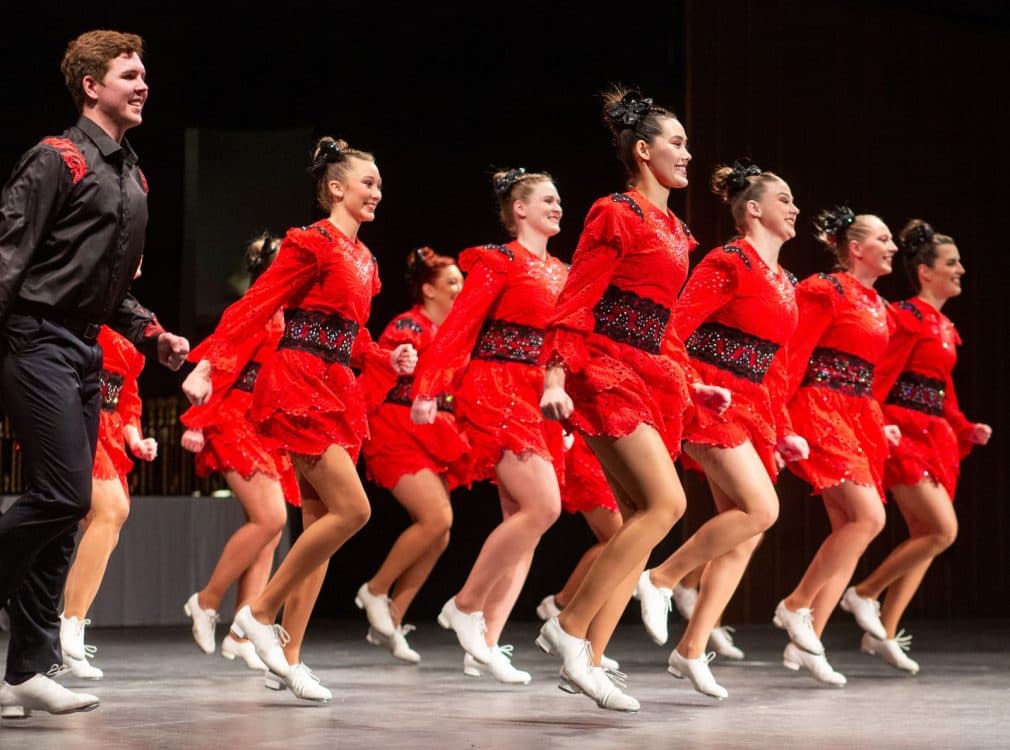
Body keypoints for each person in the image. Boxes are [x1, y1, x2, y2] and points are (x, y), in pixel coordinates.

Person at [182, 136, 416, 702]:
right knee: (353, 509)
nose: (377, 192)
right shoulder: (311, 243)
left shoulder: (365, 259)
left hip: (337, 385)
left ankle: (288, 658)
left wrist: (388, 358)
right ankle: (257, 613)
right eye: (368, 182)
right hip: (298, 382)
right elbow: (259, 303)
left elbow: (350, 335)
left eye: (380, 184)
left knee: (319, 531)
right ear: (335, 188)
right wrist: (210, 364)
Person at [0, 29, 189, 718]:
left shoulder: (131, 175)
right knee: (56, 494)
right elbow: (9, 257)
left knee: (71, 503)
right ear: (92, 86)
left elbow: (109, 287)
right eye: (130, 75)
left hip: (83, 347)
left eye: (145, 75)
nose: (144, 85)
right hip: (35, 335)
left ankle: (25, 669)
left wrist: (152, 334)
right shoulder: (58, 159)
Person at [537, 85, 730, 713]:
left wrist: (690, 378)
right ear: (643, 151)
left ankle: (590, 658)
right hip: (606, 369)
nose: (688, 153)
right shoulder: (613, 212)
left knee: (633, 522)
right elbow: (578, 296)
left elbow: (661, 320)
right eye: (676, 142)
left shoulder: (675, 227)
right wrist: (557, 377)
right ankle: (566, 629)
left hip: (650, 372)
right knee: (667, 504)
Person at [634, 160, 807, 699]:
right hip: (711, 395)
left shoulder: (784, 279)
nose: (794, 208)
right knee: (762, 511)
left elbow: (776, 364)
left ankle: (690, 649)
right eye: (784, 200)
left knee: (745, 532)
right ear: (752, 209)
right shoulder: (729, 260)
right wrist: (688, 389)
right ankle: (660, 578)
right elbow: (675, 326)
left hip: (751, 402)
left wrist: (782, 428)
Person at [410, 168, 567, 685]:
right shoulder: (499, 261)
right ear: (519, 209)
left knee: (526, 525)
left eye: (559, 199)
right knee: (544, 506)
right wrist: (429, 387)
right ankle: (466, 604)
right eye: (547, 199)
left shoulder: (563, 273)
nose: (557, 206)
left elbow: (564, 347)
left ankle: (488, 642)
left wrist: (563, 397)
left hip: (536, 397)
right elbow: (461, 325)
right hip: (494, 386)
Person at [844, 219, 991, 673]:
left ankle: (883, 631)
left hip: (934, 435)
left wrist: (965, 426)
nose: (961, 269)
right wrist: (874, 422)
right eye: (952, 263)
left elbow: (942, 388)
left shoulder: (945, 325)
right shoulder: (906, 317)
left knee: (926, 537)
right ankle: (863, 593)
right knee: (942, 531)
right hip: (902, 433)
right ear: (926, 272)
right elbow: (881, 376)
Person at [772, 206, 900, 686]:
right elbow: (792, 354)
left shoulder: (878, 305)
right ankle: (795, 605)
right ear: (856, 248)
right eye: (883, 239)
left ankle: (811, 641)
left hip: (858, 413)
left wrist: (880, 422)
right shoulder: (825, 290)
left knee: (852, 527)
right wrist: (783, 421)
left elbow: (868, 374)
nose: (891, 247)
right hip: (820, 408)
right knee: (870, 517)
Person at [180, 234, 295, 671]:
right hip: (234, 417)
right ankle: (206, 601)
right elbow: (219, 359)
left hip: (267, 424)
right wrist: (196, 422)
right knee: (271, 518)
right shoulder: (257, 307)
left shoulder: (290, 312)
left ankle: (241, 633)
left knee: (267, 529)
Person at [356, 246, 467, 664]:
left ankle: (393, 618)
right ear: (428, 289)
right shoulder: (408, 325)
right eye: (452, 283)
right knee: (437, 518)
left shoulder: (454, 333)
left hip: (432, 433)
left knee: (440, 533)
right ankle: (376, 590)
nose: (460, 289)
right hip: (396, 429)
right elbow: (382, 370)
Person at [60, 313, 157, 680]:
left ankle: (71, 628)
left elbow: (128, 392)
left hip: (111, 428)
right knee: (111, 510)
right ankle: (69, 625)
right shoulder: (89, 303)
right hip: (78, 413)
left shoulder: (139, 318)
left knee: (112, 521)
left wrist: (136, 440)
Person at [535, 431, 623, 674]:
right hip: (585, 448)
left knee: (616, 542)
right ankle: (563, 608)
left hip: (606, 449)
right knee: (621, 541)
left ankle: (563, 607)